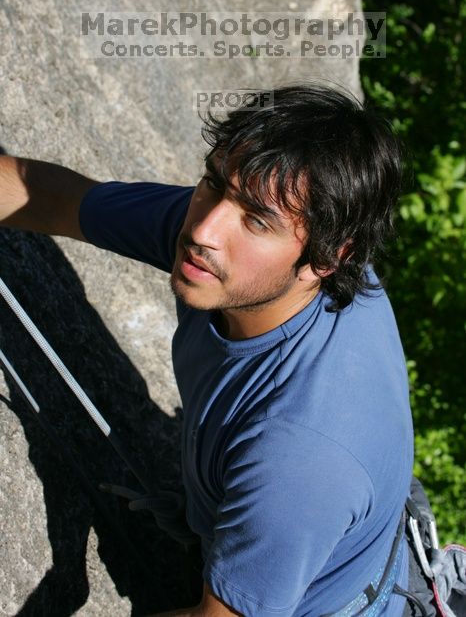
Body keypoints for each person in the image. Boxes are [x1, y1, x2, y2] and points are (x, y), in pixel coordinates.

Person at [0, 84, 414, 617]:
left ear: (328, 258)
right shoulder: (233, 241)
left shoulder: (300, 454)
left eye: (256, 220)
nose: (203, 228)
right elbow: (53, 198)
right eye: (214, 183)